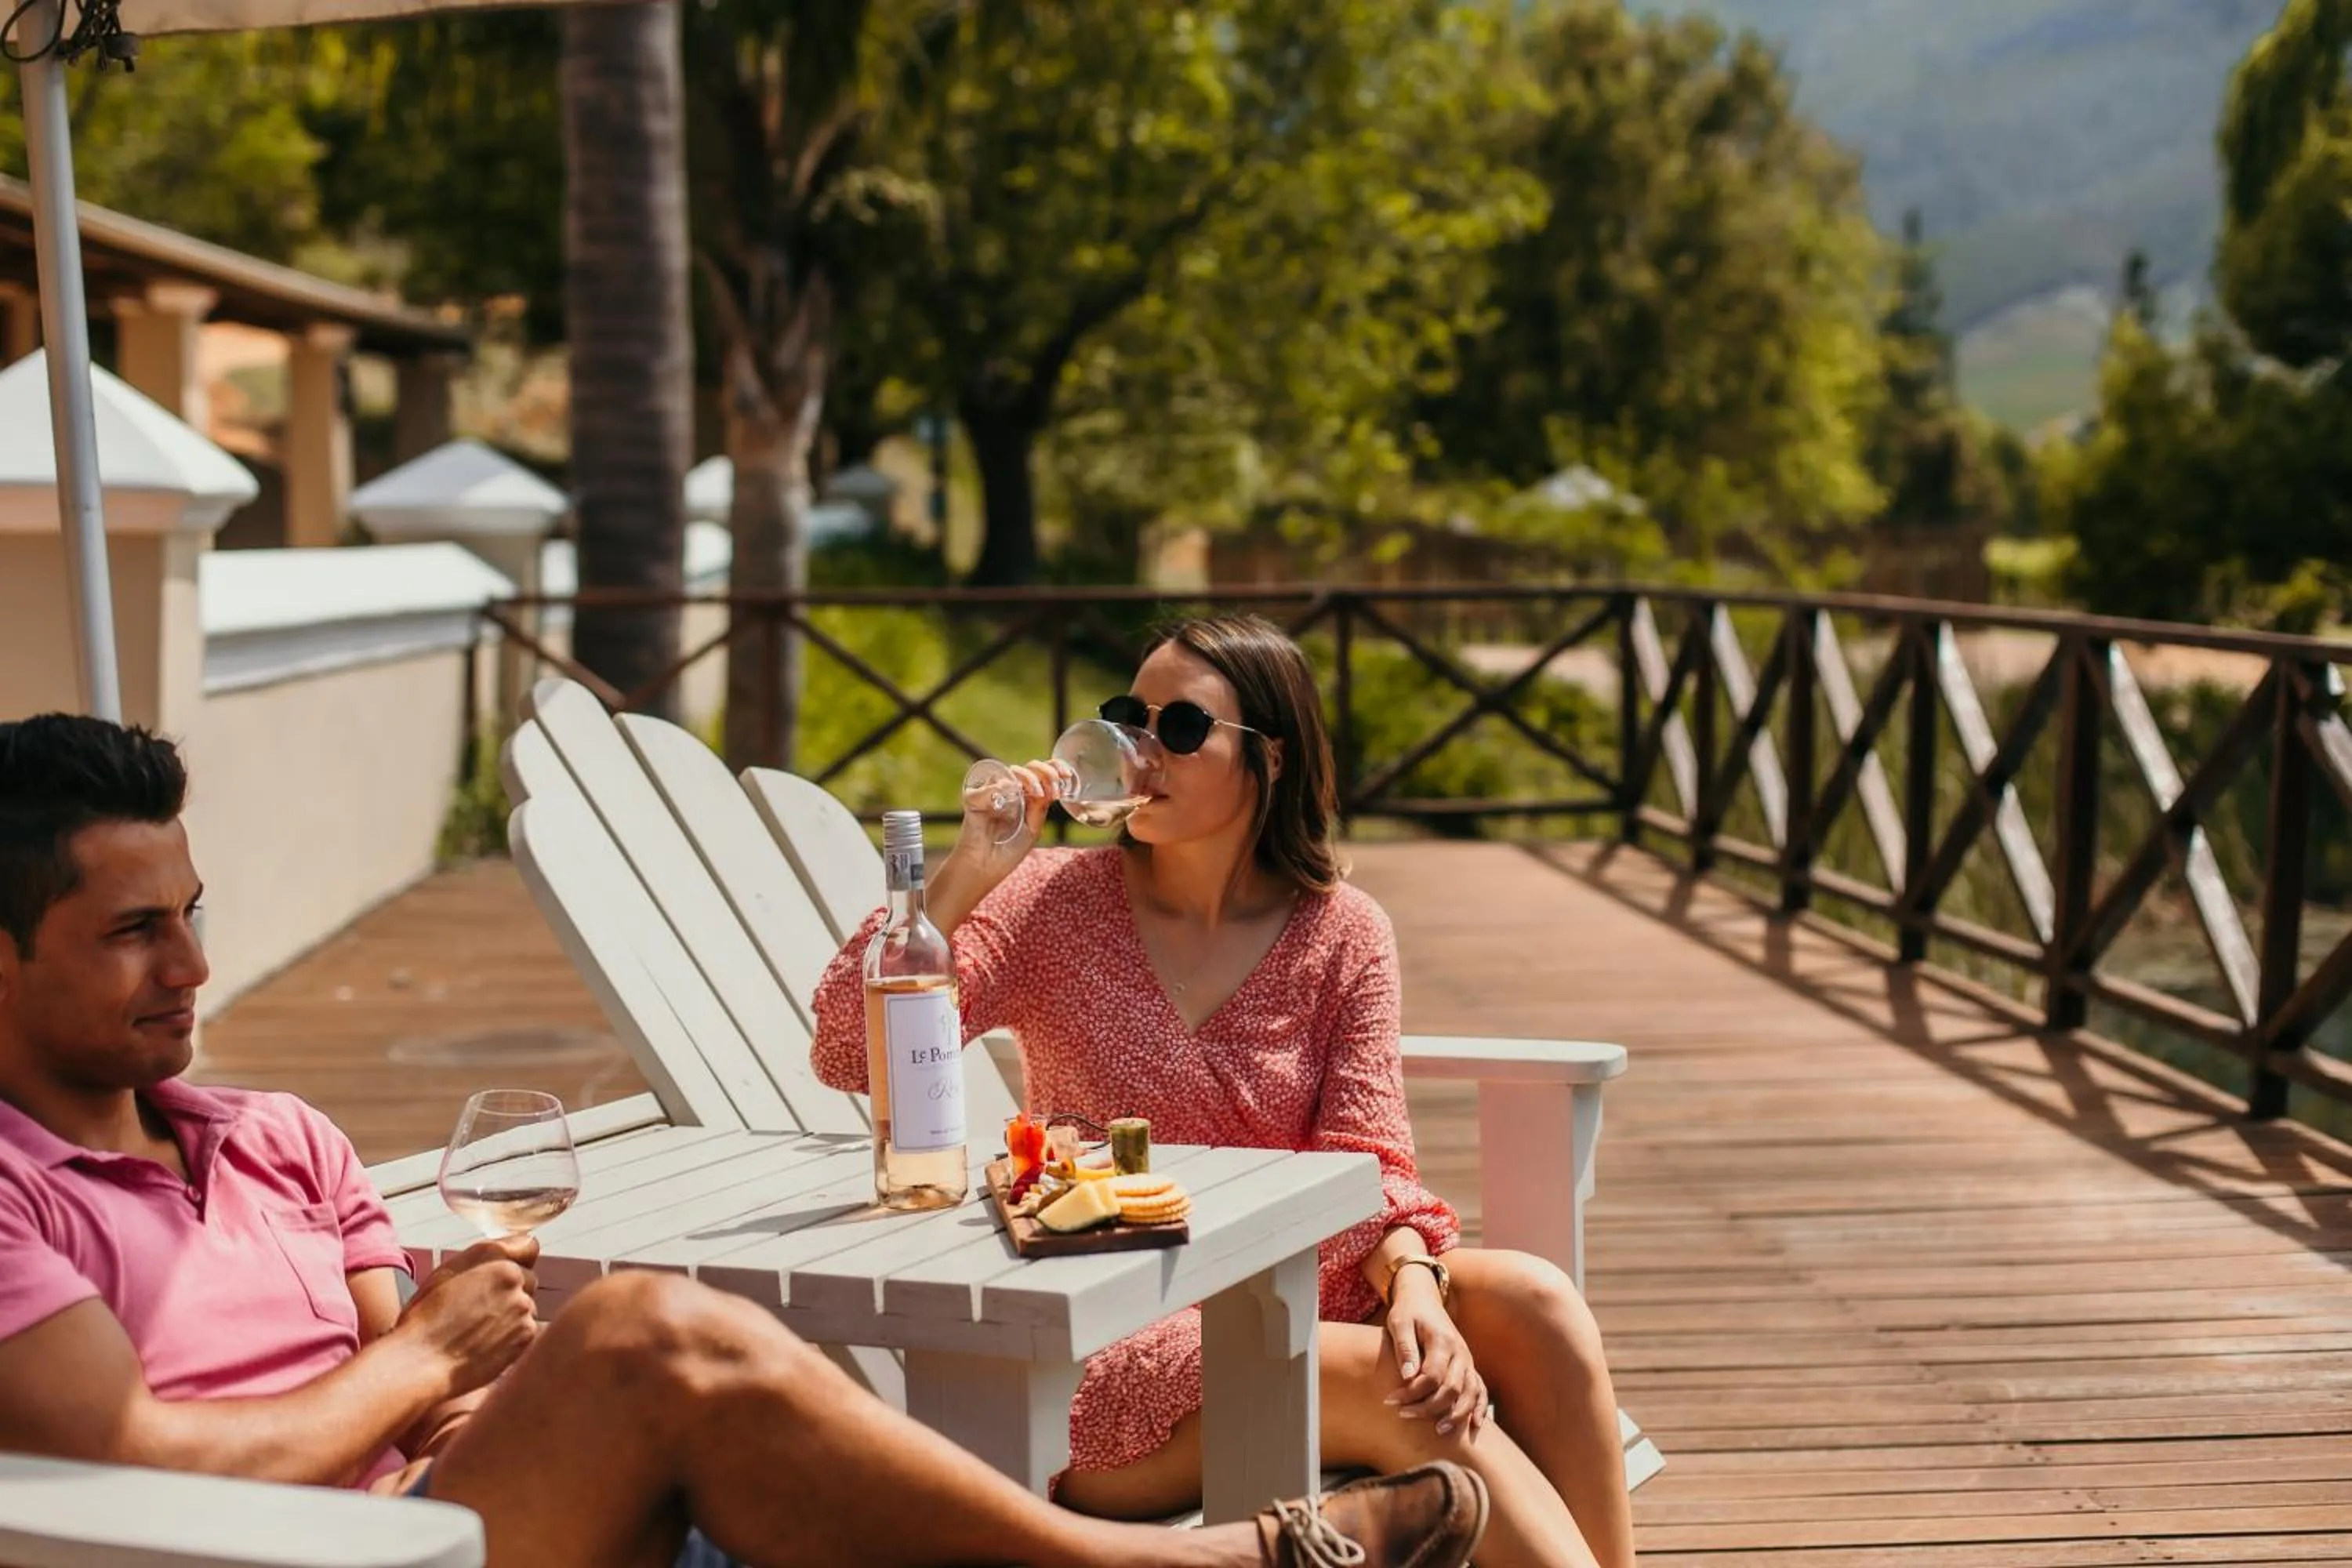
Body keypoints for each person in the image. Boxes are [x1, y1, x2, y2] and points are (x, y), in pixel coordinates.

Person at [0, 712, 1493, 1568]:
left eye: (191, 915)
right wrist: (431, 1362)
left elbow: (430, 1402)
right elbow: (136, 1458)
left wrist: (483, 1402)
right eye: (132, 932)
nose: (192, 966)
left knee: (703, 1401)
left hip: (457, 1526)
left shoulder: (278, 1138)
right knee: (644, 1328)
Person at [810, 615, 1636, 1568]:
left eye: (1182, 727)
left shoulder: (1343, 932)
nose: (1141, 748)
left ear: (1269, 758)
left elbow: (1367, 1161)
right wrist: (970, 873)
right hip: (1114, 1334)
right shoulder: (1044, 904)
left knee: (1539, 1303)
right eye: (1130, 716)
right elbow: (845, 1051)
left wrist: (1417, 1279)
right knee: (1407, 1384)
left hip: (1297, 1298)